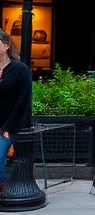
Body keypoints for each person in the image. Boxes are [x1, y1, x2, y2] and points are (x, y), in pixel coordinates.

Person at [0, 30, 31, 196]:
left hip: (9, 125)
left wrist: (8, 127)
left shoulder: (20, 69)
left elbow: (22, 99)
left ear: (6, 46)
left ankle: (3, 187)